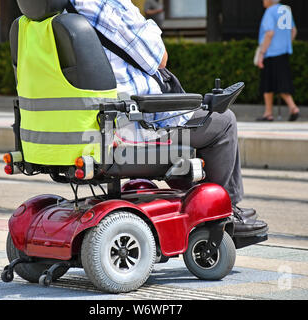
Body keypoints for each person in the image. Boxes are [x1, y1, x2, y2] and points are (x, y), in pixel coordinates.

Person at [69, 0, 267, 235]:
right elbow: (160, 57)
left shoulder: (45, 20)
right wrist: (140, 17)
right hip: (131, 130)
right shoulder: (107, 6)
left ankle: (193, 198)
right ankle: (225, 211)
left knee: (191, 123)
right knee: (223, 122)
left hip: (83, 132)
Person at [256, 0, 300, 121]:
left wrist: (261, 53)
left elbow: (269, 33)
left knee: (270, 83)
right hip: (283, 52)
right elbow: (294, 31)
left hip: (271, 52)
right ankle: (270, 112)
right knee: (278, 81)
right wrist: (285, 44)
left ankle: (290, 108)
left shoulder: (270, 11)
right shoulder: (286, 9)